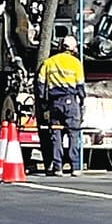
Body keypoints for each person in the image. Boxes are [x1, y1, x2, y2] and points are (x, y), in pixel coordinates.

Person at [38, 34, 85, 175]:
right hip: (70, 102)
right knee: (73, 134)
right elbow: (80, 86)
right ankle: (75, 167)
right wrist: (82, 101)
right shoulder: (76, 63)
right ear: (73, 48)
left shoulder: (49, 62)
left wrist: (43, 102)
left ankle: (57, 167)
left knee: (56, 136)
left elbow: (41, 84)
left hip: (54, 103)